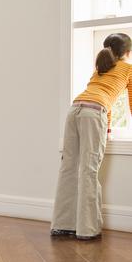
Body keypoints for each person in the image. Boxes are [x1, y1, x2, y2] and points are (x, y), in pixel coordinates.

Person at [51, 33, 132, 240]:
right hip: (94, 113)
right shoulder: (128, 69)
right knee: (89, 169)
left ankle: (62, 225)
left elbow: (102, 96)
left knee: (68, 166)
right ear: (127, 52)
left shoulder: (100, 68)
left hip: (75, 109)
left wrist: (107, 129)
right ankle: (87, 229)